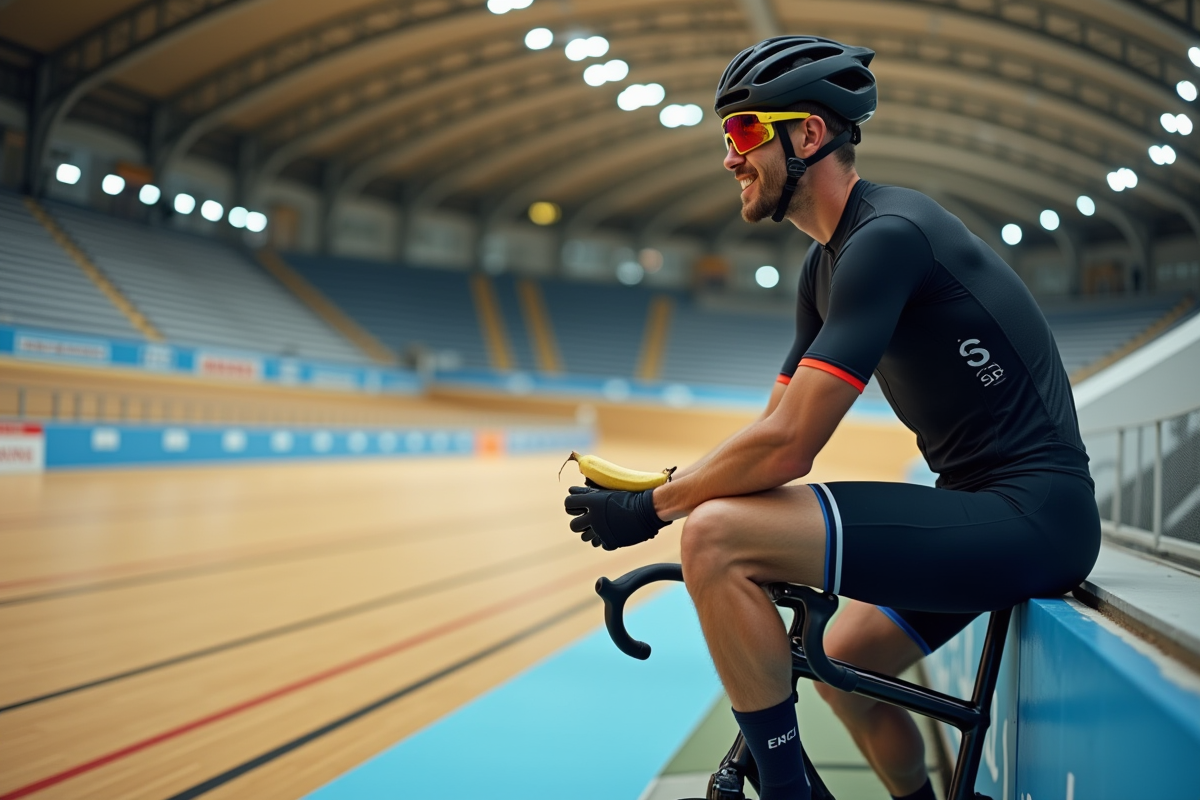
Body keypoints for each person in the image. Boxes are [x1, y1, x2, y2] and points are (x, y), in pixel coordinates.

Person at [565, 36, 1100, 800]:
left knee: (713, 536)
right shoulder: (824, 266)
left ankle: (789, 793)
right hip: (983, 504)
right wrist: (667, 488)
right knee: (845, 664)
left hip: (1037, 514)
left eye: (744, 131)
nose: (729, 157)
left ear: (809, 134)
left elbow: (790, 448)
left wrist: (654, 508)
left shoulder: (887, 239)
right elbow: (769, 429)